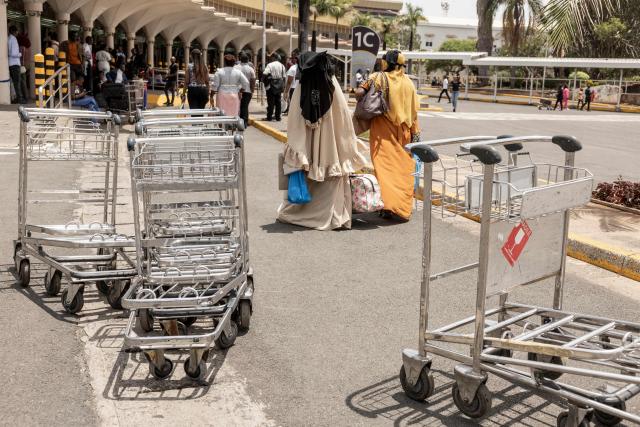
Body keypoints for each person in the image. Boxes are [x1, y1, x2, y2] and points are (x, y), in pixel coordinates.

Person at [277, 51, 367, 230]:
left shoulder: (302, 87)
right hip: (331, 152)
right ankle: (333, 215)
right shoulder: (332, 84)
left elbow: (295, 124)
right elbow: (344, 123)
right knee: (332, 175)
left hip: (307, 152)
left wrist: (300, 151)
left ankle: (302, 213)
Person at [356, 50, 419, 221]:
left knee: (384, 170)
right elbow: (414, 112)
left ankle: (388, 206)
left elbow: (360, 92)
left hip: (383, 131)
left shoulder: (377, 77)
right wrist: (416, 135)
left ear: (387, 63)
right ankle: (402, 207)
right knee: (403, 169)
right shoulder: (409, 83)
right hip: (405, 132)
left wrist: (355, 92)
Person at [262, 53, 286, 121]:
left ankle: (269, 117)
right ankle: (278, 117)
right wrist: (283, 86)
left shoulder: (270, 65)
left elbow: (265, 73)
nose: (270, 59)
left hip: (271, 85)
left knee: (271, 102)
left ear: (274, 58)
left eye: (271, 57)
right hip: (279, 84)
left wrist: (263, 80)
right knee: (278, 102)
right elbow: (284, 77)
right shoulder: (282, 66)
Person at [235, 52, 256, 126]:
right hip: (247, 90)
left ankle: (238, 120)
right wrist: (252, 90)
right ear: (248, 60)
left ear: (240, 59)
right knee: (245, 106)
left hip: (237, 90)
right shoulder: (251, 69)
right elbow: (253, 80)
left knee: (237, 106)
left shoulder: (236, 67)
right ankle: (244, 122)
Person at [8, 26, 24, 104]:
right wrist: (20, 54)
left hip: (11, 64)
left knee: (13, 82)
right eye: (17, 31)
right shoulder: (13, 40)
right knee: (17, 82)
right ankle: (20, 99)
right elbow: (13, 53)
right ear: (15, 32)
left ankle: (15, 98)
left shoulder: (9, 39)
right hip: (15, 63)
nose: (18, 33)